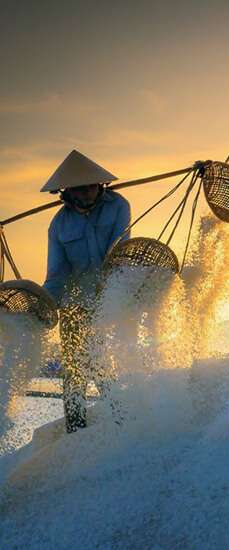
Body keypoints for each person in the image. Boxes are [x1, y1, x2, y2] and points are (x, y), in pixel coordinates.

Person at [41, 150, 131, 433]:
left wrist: (110, 297)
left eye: (93, 185)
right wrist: (42, 305)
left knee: (102, 362)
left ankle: (123, 422)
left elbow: (119, 253)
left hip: (110, 297)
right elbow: (56, 275)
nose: (90, 190)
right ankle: (76, 430)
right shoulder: (58, 225)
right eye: (82, 187)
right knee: (73, 370)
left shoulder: (118, 205)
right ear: (67, 191)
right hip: (73, 304)